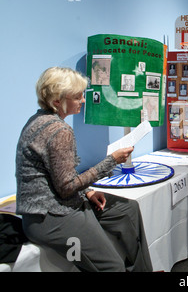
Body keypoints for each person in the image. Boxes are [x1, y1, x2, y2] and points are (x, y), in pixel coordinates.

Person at [16, 67, 152, 272]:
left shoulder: (38, 120)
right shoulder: (59, 130)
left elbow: (59, 174)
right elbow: (66, 187)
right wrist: (111, 161)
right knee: (112, 266)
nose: (83, 100)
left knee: (127, 210)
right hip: (51, 216)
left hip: (57, 206)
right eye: (78, 96)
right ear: (56, 102)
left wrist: (87, 191)